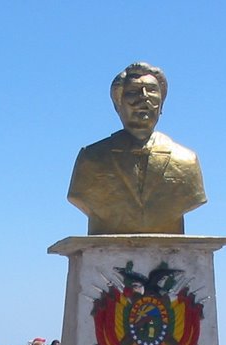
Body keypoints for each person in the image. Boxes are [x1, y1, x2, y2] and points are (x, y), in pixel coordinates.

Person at [67, 62, 206, 235]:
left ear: (162, 103)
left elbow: (194, 198)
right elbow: (79, 196)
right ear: (118, 104)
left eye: (152, 91)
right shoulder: (91, 158)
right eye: (133, 92)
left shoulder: (187, 160)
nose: (144, 98)